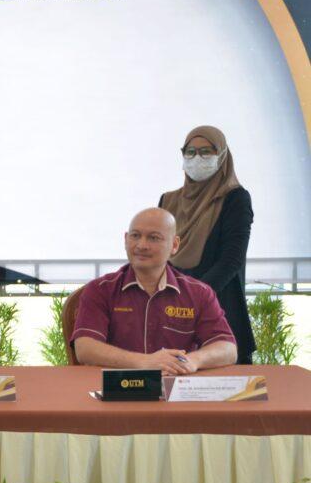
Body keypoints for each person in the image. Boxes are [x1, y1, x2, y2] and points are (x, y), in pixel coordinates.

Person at [71, 208, 237, 374]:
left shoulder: (199, 293)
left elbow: (227, 348)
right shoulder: (100, 290)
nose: (141, 245)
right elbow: (85, 348)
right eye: (135, 235)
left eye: (153, 238)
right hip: (117, 390)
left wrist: (193, 360)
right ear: (125, 239)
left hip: (177, 391)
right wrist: (145, 362)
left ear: (174, 245)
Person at [160, 126, 255, 364]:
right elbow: (159, 256)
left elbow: (231, 260)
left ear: (222, 156)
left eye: (206, 151)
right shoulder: (168, 200)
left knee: (225, 394)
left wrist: (195, 297)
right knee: (169, 389)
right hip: (172, 311)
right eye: (190, 152)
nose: (196, 158)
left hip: (218, 307)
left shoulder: (235, 198)